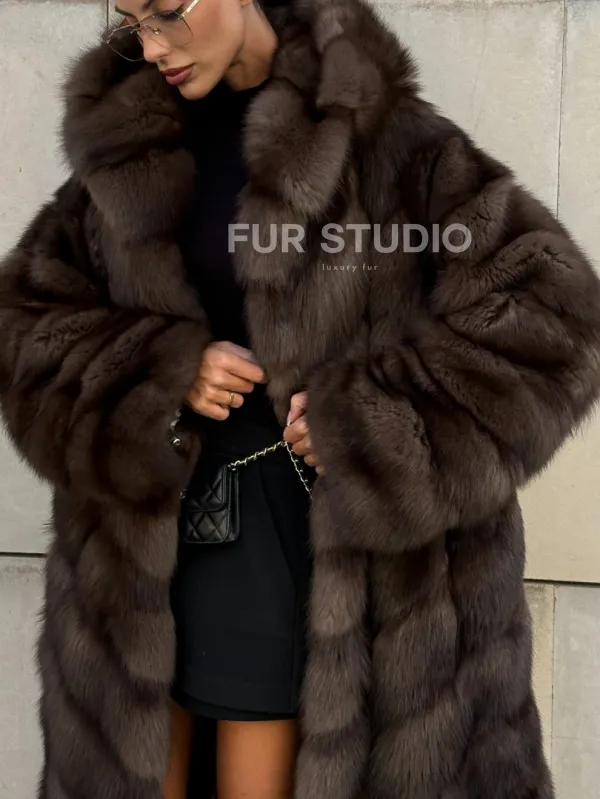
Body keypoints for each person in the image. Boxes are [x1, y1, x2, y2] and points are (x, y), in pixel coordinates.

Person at [1, 0, 600, 797]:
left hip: (318, 558)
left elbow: (554, 318)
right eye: (130, 23)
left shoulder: (384, 139)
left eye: (167, 12)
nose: (152, 45)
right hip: (145, 554)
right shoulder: (129, 147)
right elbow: (27, 325)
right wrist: (157, 369)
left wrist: (371, 421)